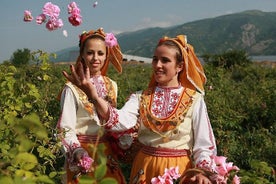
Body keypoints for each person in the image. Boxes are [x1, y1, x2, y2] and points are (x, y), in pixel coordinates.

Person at [63, 34, 217, 184]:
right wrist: (95, 98)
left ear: (180, 66)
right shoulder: (140, 97)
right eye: (155, 59)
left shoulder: (194, 99)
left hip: (179, 170)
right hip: (145, 168)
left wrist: (202, 172)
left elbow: (204, 144)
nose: (157, 65)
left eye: (165, 61)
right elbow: (118, 121)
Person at [57, 28, 126, 184]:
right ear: (82, 55)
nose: (95, 58)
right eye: (90, 53)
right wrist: (77, 150)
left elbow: (113, 121)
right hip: (82, 154)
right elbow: (65, 128)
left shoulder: (112, 85)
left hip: (107, 155)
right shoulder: (71, 88)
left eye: (100, 53)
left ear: (107, 55)